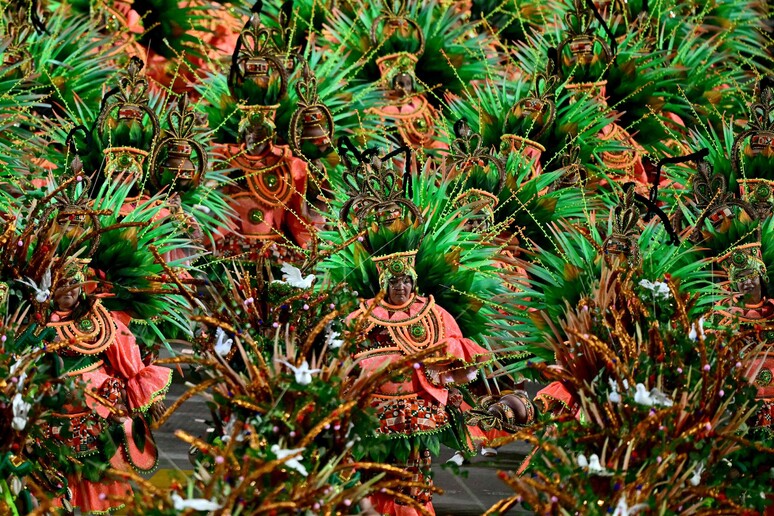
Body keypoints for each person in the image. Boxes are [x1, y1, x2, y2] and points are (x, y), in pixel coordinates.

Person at [347, 250, 490, 515]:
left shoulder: (433, 314)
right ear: (384, 285)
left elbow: (454, 351)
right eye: (394, 282)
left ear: (413, 283)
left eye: (405, 281)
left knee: (412, 469)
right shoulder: (362, 315)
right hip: (374, 408)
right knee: (372, 468)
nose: (400, 287)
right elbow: (344, 355)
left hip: (417, 407)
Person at [45, 259, 171, 513]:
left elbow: (128, 358)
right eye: (62, 285)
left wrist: (151, 398)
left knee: (98, 480)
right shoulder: (39, 321)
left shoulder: (101, 318)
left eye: (74, 284)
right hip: (52, 411)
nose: (68, 291)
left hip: (98, 411)